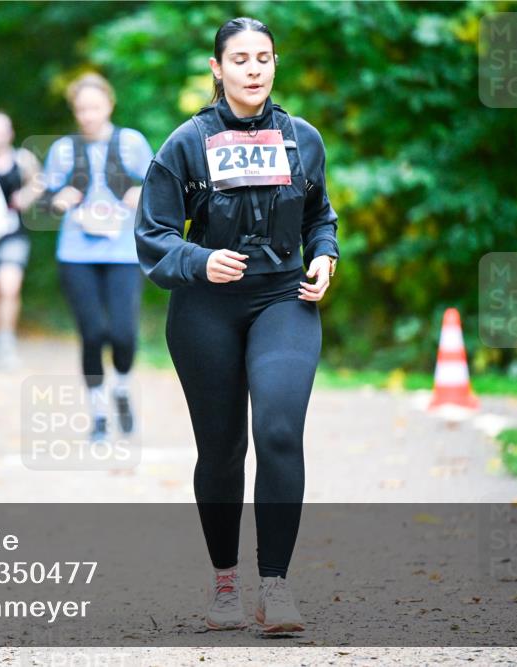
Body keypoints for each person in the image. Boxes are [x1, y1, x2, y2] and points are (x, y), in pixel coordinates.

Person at [135, 17, 340, 634]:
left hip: (284, 298)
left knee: (278, 432)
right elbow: (153, 235)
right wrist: (200, 261)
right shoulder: (186, 143)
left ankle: (275, 588)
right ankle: (225, 585)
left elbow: (319, 215)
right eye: (240, 59)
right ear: (217, 68)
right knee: (222, 452)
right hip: (207, 309)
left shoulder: (302, 138)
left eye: (264, 58)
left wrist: (325, 255)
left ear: (275, 65)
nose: (254, 70)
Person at [40, 73, 154, 443]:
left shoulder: (131, 142)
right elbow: (46, 198)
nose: (88, 115)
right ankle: (99, 412)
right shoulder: (63, 149)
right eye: (81, 109)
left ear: (109, 105)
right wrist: (57, 201)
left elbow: (158, 186)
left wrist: (140, 195)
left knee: (122, 333)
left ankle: (120, 388)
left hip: (122, 252)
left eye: (95, 107)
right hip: (77, 253)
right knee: (92, 333)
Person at [0, 111, 42, 369]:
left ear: (10, 133)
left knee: (9, 286)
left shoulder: (23, 159)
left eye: (0, 131)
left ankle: (6, 344)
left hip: (13, 233)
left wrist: (26, 197)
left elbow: (39, 182)